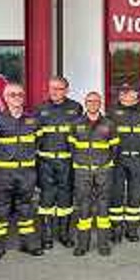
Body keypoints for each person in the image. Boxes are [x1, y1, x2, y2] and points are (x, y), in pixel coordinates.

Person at [0, 83, 44, 260]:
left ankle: (28, 244)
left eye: (20, 94)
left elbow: (39, 142)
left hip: (27, 172)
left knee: (26, 208)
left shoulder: (32, 120)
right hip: (4, 173)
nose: (17, 97)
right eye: (12, 94)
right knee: (1, 210)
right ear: (5, 98)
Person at [35, 76, 83, 250]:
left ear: (66, 90)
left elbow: (80, 134)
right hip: (45, 161)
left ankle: (64, 234)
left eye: (59, 88)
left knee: (65, 197)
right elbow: (34, 135)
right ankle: (46, 237)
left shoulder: (76, 108)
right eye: (52, 88)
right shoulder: (40, 109)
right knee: (46, 197)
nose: (54, 92)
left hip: (66, 161)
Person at [69, 92, 119, 257]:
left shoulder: (109, 124)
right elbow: (72, 147)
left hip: (103, 170)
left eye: (96, 101)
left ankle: (103, 244)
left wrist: (107, 163)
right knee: (83, 207)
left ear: (100, 103)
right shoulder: (76, 124)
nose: (93, 104)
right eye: (90, 101)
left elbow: (115, 148)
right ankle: (82, 245)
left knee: (103, 208)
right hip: (82, 171)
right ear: (85, 103)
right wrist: (80, 162)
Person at [107, 83, 140, 243]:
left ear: (136, 94)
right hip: (118, 159)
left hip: (138, 159)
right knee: (116, 194)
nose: (128, 95)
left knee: (135, 195)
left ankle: (132, 229)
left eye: (131, 92)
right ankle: (116, 228)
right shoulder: (112, 112)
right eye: (124, 92)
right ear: (121, 95)